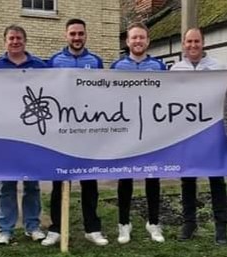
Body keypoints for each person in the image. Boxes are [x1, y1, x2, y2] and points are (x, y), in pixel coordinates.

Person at [41, 18, 108, 247]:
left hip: (87, 131)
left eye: (80, 34)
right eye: (73, 34)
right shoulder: (54, 61)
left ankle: (93, 228)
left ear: (86, 35)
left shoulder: (95, 61)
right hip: (62, 132)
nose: (77, 38)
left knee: (90, 182)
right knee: (59, 181)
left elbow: (102, 94)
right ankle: (56, 229)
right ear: (66, 35)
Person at [0, 25, 46, 245]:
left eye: (19, 38)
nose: (15, 41)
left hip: (32, 135)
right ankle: (6, 230)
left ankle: (33, 226)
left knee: (32, 184)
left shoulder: (40, 66)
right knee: (6, 185)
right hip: (5, 136)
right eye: (11, 38)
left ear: (25, 40)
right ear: (5, 41)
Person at [110, 22, 166, 244]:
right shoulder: (116, 67)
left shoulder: (159, 66)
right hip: (126, 131)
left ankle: (153, 223)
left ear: (148, 41)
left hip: (152, 131)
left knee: (153, 176)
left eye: (141, 37)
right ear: (127, 41)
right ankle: (124, 224)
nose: (138, 41)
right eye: (134, 38)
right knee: (125, 178)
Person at [171, 27, 227, 245]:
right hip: (186, 135)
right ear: (183, 44)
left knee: (216, 179)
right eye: (189, 42)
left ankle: (222, 225)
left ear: (203, 43)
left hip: (212, 132)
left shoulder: (218, 69)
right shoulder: (175, 70)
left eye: (196, 41)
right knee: (187, 179)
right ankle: (189, 222)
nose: (193, 45)